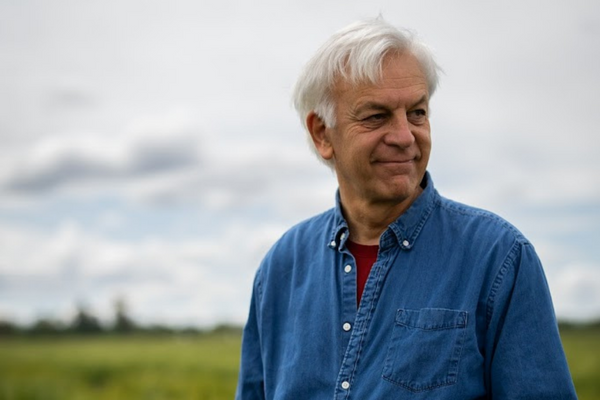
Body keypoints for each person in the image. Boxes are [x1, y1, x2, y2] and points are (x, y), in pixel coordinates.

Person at [235, 19, 577, 399]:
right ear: (322, 133)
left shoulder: (499, 258)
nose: (404, 136)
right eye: (376, 116)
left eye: (417, 112)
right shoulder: (282, 266)